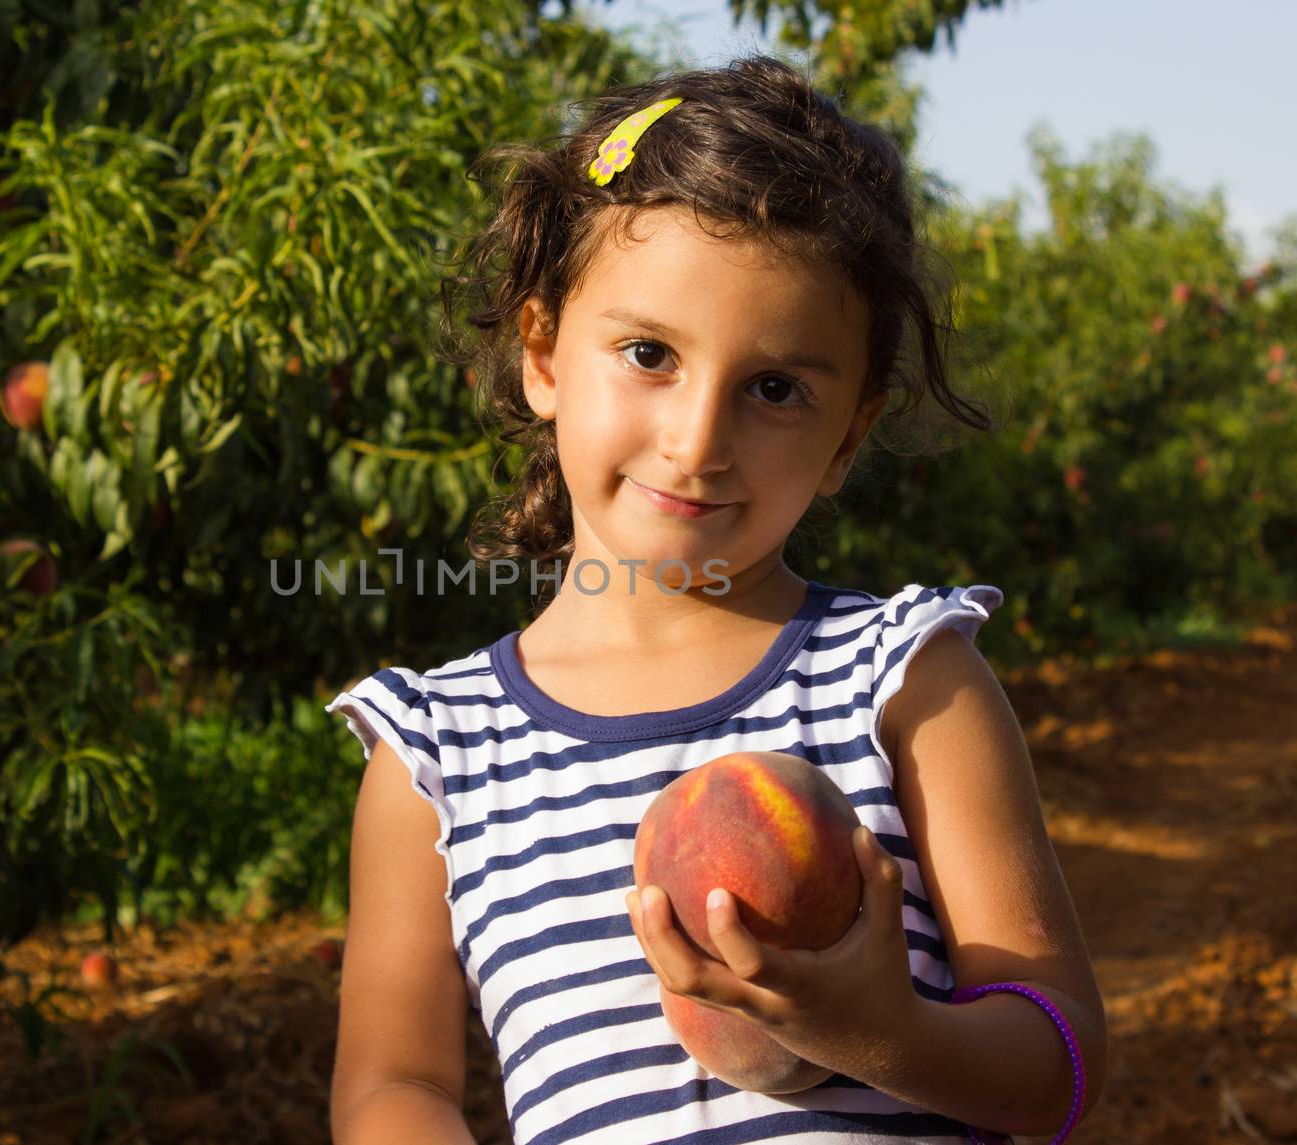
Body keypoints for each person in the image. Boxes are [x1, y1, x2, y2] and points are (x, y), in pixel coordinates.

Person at [326, 54, 1107, 1145]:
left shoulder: (905, 681)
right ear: (544, 353)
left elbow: (1057, 1067)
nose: (697, 443)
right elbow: (393, 1085)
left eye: (775, 388)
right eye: (648, 353)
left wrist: (879, 1032)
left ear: (849, 434)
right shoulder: (439, 758)